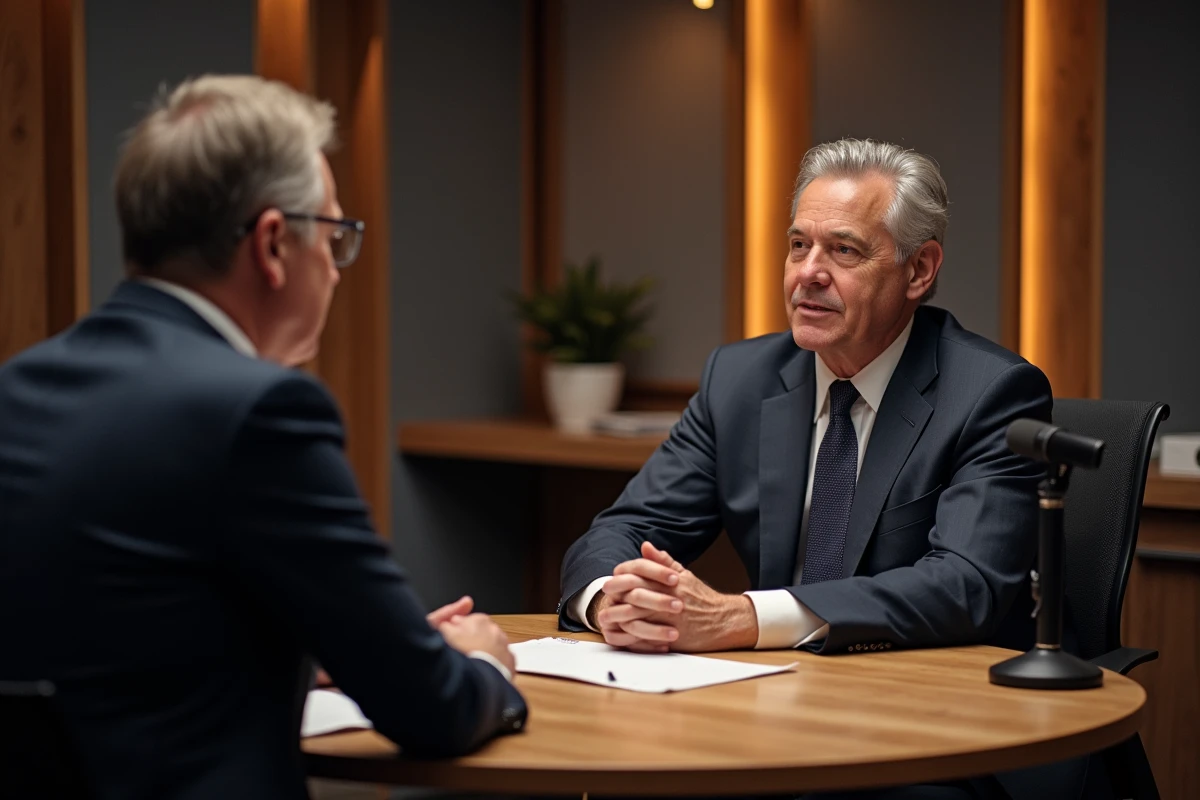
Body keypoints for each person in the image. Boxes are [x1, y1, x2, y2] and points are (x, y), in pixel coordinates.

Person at [0, 75, 525, 800]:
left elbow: (115, 652)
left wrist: (316, 656)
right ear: (275, 243)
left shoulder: (17, 386)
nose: (338, 273)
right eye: (336, 237)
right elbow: (430, 709)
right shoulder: (259, 412)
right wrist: (483, 664)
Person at [558, 139, 1058, 798]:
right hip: (773, 713)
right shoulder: (738, 380)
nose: (808, 274)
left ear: (919, 270)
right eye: (798, 246)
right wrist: (613, 601)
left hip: (929, 733)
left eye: (844, 251)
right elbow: (619, 530)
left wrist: (743, 618)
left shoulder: (991, 394)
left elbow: (963, 587)